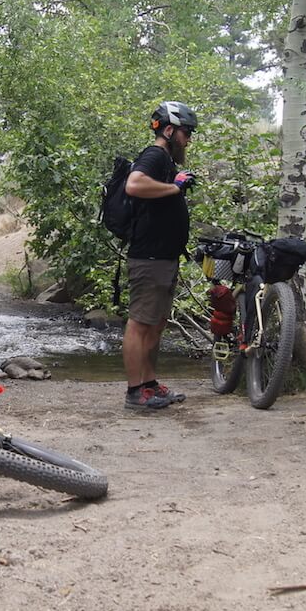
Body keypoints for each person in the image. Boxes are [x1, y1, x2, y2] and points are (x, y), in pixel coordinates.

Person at [121, 101, 198, 410]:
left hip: (163, 258)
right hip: (149, 258)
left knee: (155, 324)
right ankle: (135, 393)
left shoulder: (165, 160)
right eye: (186, 133)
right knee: (140, 324)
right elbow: (134, 184)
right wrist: (176, 188)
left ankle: (150, 385)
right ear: (169, 130)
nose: (188, 139)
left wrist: (174, 183)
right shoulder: (154, 155)